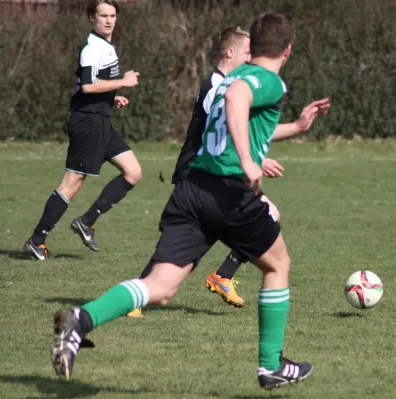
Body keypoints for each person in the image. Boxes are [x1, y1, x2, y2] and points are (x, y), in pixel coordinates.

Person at [50, 12, 329, 390]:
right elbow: (237, 100)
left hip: (192, 189)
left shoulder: (233, 75)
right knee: (278, 263)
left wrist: (295, 128)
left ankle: (81, 319)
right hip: (227, 192)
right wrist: (249, 160)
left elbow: (237, 114)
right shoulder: (267, 81)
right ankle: (270, 365)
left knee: (161, 287)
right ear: (288, 49)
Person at [127, 26, 327, 317]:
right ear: (230, 52)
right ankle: (152, 288)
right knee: (188, 240)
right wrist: (255, 158)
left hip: (218, 169)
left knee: (199, 236)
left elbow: (241, 127)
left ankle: (212, 277)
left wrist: (285, 135)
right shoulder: (217, 86)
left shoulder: (230, 82)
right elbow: (224, 130)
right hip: (201, 168)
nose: (252, 58)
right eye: (247, 52)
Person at [23, 0, 142, 260]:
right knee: (72, 182)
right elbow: (87, 87)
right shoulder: (92, 48)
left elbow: (95, 85)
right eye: (103, 15)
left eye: (112, 15)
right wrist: (123, 82)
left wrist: (113, 97)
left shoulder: (106, 47)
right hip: (87, 122)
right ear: (92, 17)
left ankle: (87, 221)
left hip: (101, 120)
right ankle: (37, 240)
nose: (109, 20)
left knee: (133, 172)